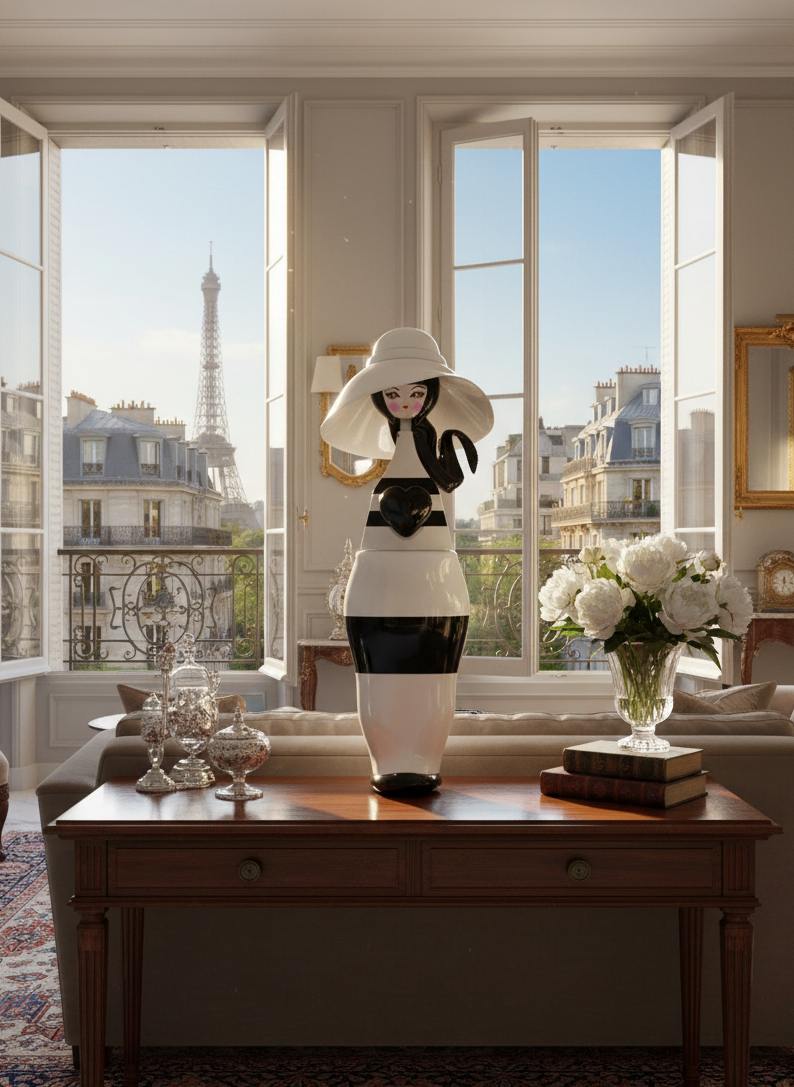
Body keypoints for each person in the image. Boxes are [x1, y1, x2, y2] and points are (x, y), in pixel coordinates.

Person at [320, 328, 493, 796]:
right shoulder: (393, 476)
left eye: (416, 392)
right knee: (380, 684)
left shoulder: (427, 463)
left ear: (431, 396)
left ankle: (424, 761)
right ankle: (390, 762)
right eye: (393, 393)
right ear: (379, 398)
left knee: (432, 685)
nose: (404, 402)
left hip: (436, 589)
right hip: (378, 589)